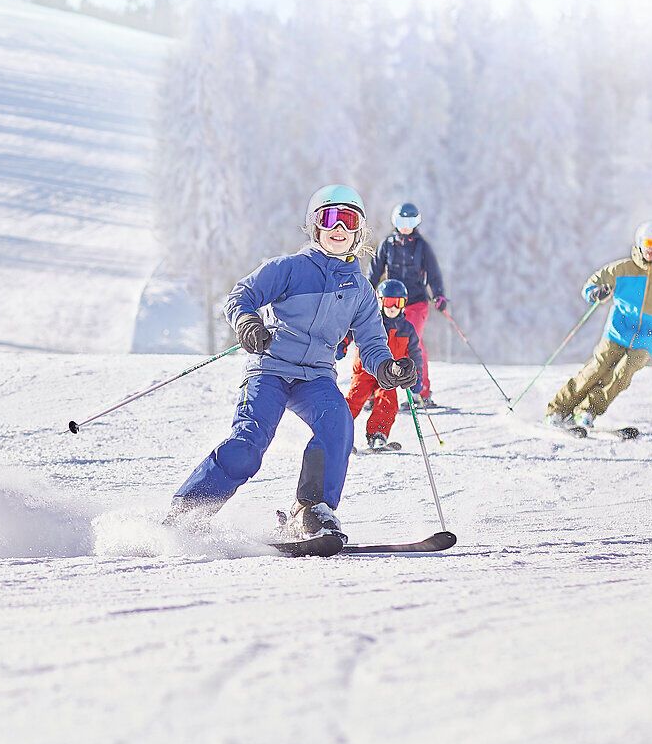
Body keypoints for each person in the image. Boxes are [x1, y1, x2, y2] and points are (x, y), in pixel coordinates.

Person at [170, 184, 417, 543]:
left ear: (359, 232)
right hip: (270, 368)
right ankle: (186, 513)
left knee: (338, 426)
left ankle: (312, 511)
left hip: (315, 377)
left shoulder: (360, 290)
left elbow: (373, 344)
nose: (339, 228)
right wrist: (248, 323)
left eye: (349, 220)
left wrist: (390, 370)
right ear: (315, 226)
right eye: (329, 218)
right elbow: (242, 296)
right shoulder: (289, 268)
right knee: (248, 445)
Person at [545, 220, 652, 431]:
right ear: (639, 244)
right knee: (596, 369)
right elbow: (592, 284)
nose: (650, 249)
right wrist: (596, 292)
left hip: (649, 337)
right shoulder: (623, 269)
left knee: (623, 374)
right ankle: (557, 409)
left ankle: (587, 410)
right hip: (618, 331)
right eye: (646, 243)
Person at [368, 202, 447, 402]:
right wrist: (367, 291)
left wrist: (438, 294)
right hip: (391, 301)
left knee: (412, 341)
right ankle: (374, 390)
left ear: (416, 222)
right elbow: (375, 270)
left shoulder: (421, 247)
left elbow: (433, 273)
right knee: (381, 340)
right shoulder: (388, 244)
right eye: (402, 221)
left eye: (410, 222)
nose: (405, 226)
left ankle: (420, 390)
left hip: (415, 301)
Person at [342, 279, 425, 451]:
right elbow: (349, 331)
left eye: (397, 302)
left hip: (390, 375)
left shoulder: (407, 329)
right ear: (380, 301)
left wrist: (416, 377)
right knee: (354, 400)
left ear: (404, 304)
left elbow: (415, 354)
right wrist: (342, 343)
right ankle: (338, 434)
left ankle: (377, 434)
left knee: (388, 401)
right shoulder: (371, 321)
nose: (392, 307)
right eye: (388, 301)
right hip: (365, 371)